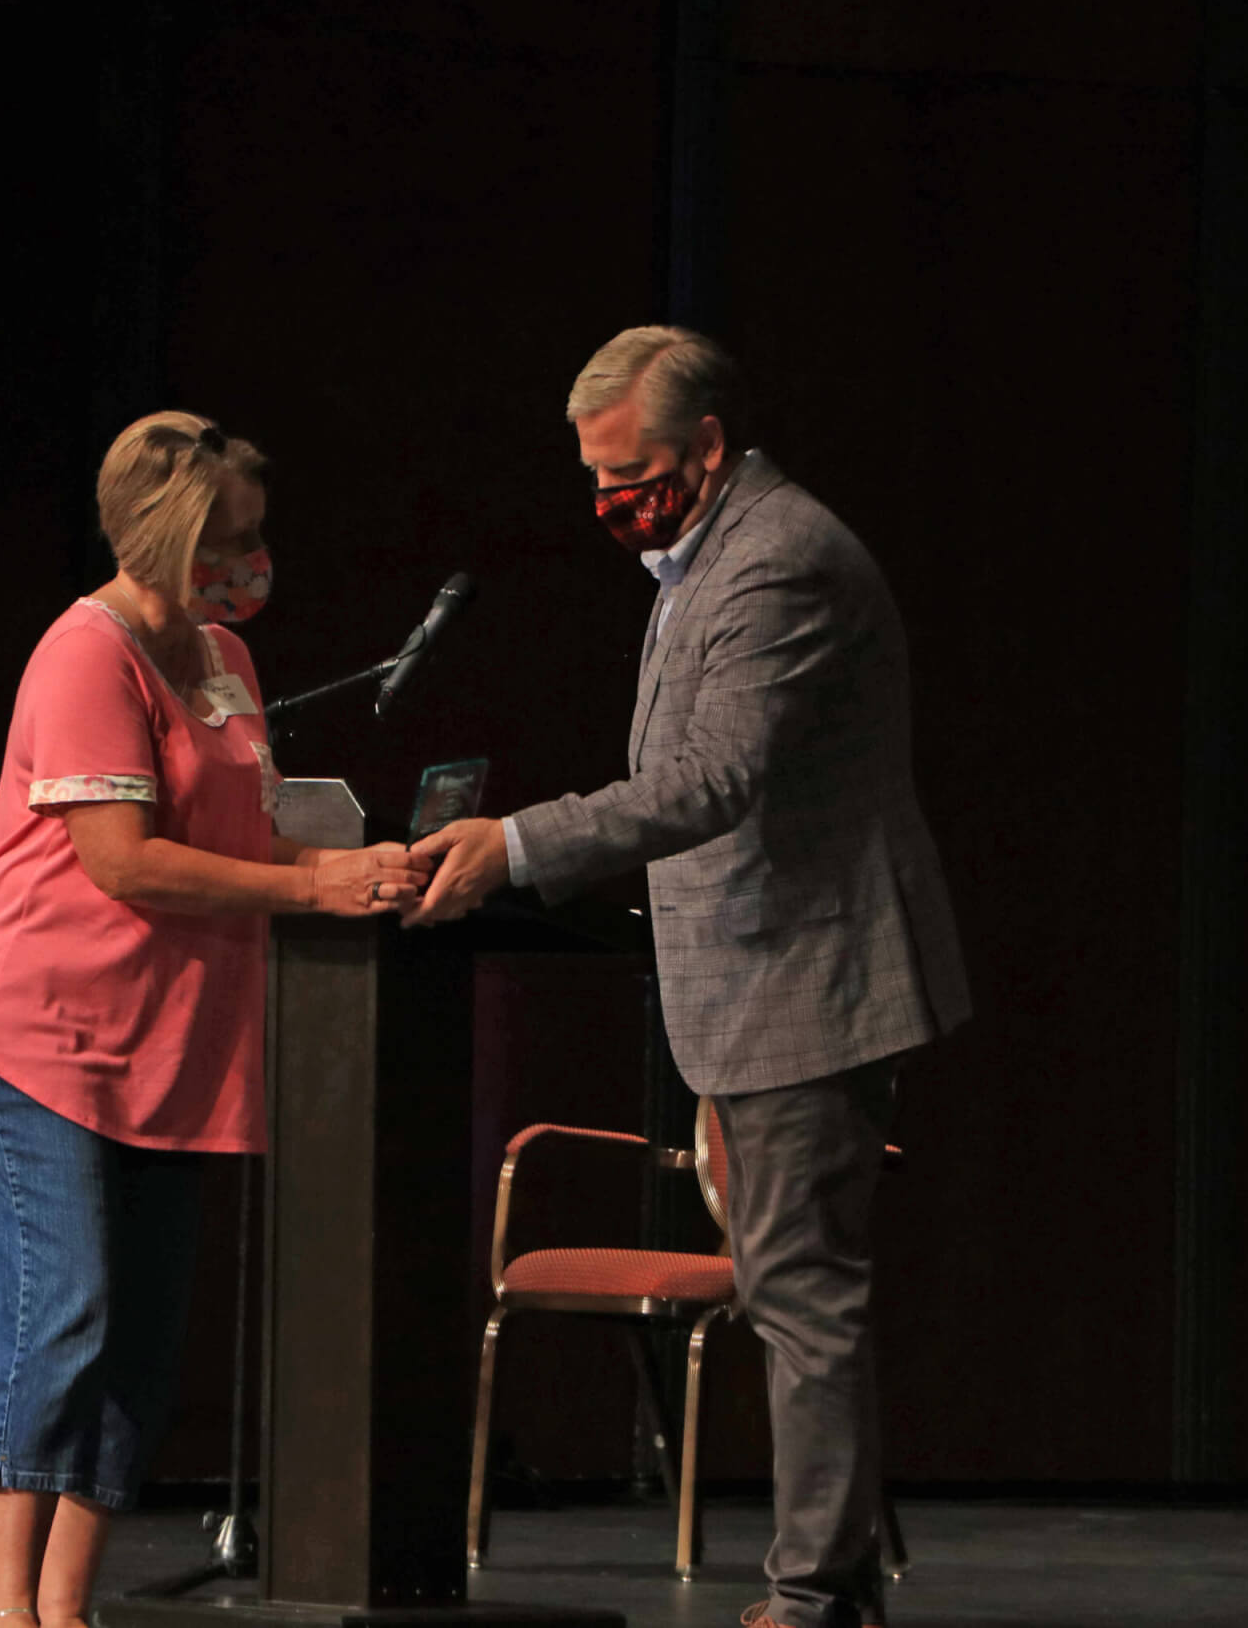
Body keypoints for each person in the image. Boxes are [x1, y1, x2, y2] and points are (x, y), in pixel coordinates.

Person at [407, 329, 969, 1628]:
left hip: (810, 974)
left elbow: (711, 780)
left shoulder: (778, 558)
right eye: (596, 475)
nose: (614, 501)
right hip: (752, 974)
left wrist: (514, 845)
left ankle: (815, 1592)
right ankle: (831, 1583)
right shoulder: (702, 551)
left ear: (707, 446)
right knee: (791, 1283)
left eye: (636, 470)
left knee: (800, 1289)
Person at [0, 411, 430, 1628]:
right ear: (163, 536)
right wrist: (311, 886)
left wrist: (362, 862)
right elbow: (126, 862)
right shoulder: (81, 655)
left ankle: (66, 1604)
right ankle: (4, 1607)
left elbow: (240, 828)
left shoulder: (222, 661)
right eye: (227, 539)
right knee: (65, 1307)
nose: (249, 562)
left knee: (141, 1334)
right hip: (41, 1031)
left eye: (256, 537)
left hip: (171, 1044)